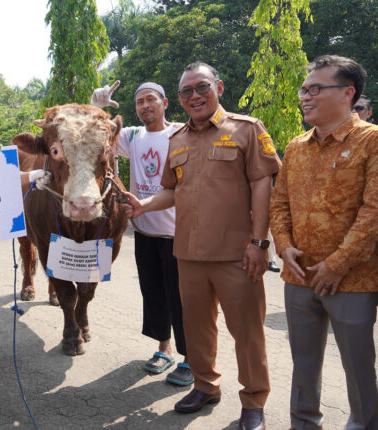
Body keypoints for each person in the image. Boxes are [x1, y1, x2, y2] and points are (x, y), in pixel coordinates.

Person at [125, 61, 279, 430]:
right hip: (188, 254)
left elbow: (263, 186)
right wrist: (143, 205)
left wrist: (260, 242)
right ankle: (206, 385)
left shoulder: (246, 130)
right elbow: (170, 189)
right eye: (186, 91)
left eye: (201, 87)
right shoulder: (176, 140)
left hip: (236, 254)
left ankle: (254, 400)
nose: (194, 96)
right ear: (178, 98)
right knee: (196, 329)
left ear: (219, 87)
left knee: (247, 332)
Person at [270, 55, 378, 430]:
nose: (305, 96)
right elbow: (278, 202)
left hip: (352, 280)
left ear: (348, 93)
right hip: (298, 276)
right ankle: (303, 424)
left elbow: (374, 211)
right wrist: (283, 247)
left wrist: (337, 264)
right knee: (303, 364)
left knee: (358, 366)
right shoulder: (296, 146)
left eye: (316, 89)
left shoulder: (372, 141)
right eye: (304, 89)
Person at [90, 80, 191, 386]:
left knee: (183, 300)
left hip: (179, 234)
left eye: (151, 100)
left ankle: (192, 359)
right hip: (145, 232)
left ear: (164, 103)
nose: (145, 106)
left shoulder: (182, 132)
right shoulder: (132, 136)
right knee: (154, 295)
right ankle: (164, 349)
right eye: (139, 102)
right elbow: (93, 137)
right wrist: (96, 107)